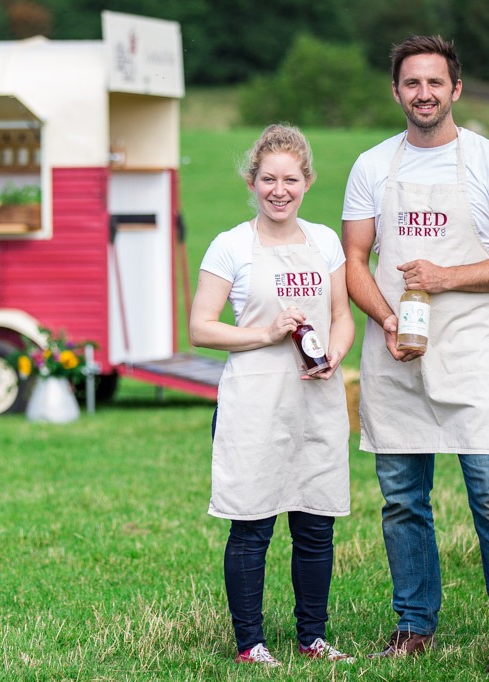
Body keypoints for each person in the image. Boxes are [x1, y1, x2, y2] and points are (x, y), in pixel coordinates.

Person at [341, 35, 489, 676]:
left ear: (455, 89)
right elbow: (353, 260)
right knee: (403, 498)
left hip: (469, 349)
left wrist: (443, 276)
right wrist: (386, 317)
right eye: (411, 83)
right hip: (393, 351)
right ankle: (413, 625)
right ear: (396, 91)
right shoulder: (372, 166)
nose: (423, 94)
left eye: (435, 82)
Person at [190, 124, 356, 667]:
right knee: (252, 525)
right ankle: (250, 644)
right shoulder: (230, 246)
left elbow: (340, 317)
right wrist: (264, 333)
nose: (278, 189)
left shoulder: (325, 242)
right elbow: (202, 328)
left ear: (306, 182)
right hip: (254, 403)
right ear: (252, 181)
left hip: (316, 400)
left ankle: (313, 638)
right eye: (267, 179)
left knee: (314, 525)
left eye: (289, 179)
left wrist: (334, 353)